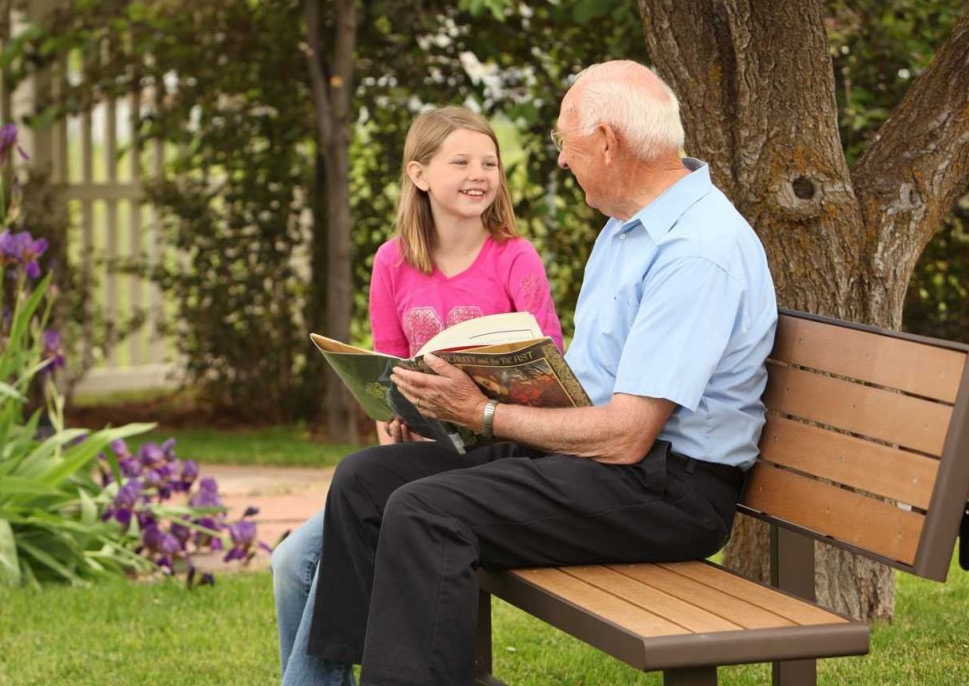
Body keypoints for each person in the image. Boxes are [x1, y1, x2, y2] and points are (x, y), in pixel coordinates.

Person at [305, 60, 778, 686]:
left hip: (666, 489)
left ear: (607, 142)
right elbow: (590, 392)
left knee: (426, 511)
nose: (560, 159)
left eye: (565, 141)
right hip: (604, 464)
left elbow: (629, 435)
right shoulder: (626, 230)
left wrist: (482, 414)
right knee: (367, 480)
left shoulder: (695, 252)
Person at [271, 105, 564, 686]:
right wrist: (392, 420)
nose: (480, 173)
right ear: (419, 173)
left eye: (489, 162)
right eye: (461, 161)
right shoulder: (392, 262)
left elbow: (549, 372)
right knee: (290, 562)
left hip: (497, 454)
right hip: (422, 454)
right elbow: (386, 375)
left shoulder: (515, 257)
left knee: (320, 549)